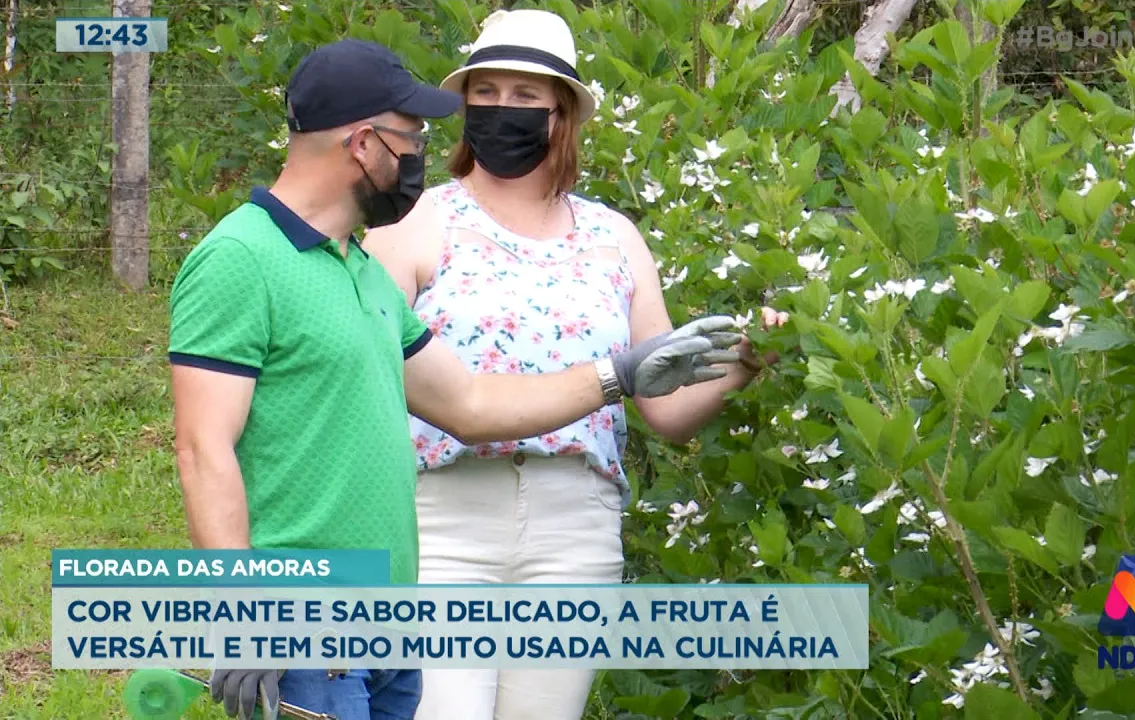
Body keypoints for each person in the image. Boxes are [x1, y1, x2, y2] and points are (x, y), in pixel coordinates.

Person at [166, 37, 745, 720]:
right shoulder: (241, 257)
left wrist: (619, 374)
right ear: (364, 144)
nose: (419, 154)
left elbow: (468, 403)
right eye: (411, 138)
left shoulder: (360, 272)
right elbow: (202, 448)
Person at [361, 10, 788, 720]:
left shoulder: (614, 238)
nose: (502, 108)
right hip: (442, 521)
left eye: (525, 96)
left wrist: (745, 364)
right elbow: (368, 385)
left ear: (561, 113)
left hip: (576, 527)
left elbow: (666, 408)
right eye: (485, 92)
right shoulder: (414, 224)